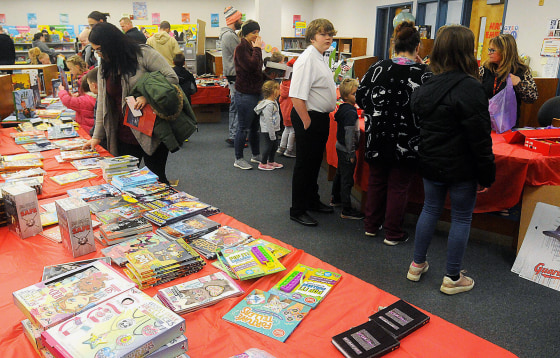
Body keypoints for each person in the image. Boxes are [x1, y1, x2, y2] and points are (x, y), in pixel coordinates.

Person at [407, 25, 496, 295]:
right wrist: (486, 175)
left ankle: (416, 265)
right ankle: (452, 277)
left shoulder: (427, 85)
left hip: (430, 162)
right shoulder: (471, 88)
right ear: (467, 51)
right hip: (462, 167)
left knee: (430, 209)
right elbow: (480, 139)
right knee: (460, 218)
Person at [356, 21, 431, 243]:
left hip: (377, 135)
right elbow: (429, 107)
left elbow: (360, 97)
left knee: (376, 180)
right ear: (417, 48)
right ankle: (393, 233)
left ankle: (370, 225)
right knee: (399, 186)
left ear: (394, 46)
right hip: (407, 140)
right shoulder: (424, 73)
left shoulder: (377, 68)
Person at [82, 22, 180, 184]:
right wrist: (97, 136)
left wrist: (147, 96)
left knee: (156, 181)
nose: (97, 54)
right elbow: (103, 103)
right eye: (95, 50)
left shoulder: (143, 54)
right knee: (124, 182)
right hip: (123, 134)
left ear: (111, 44)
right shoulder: (105, 65)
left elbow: (171, 78)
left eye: (99, 49)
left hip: (151, 131)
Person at [289, 18, 337, 227]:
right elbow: (296, 96)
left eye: (330, 34)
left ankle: (312, 200)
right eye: (323, 34)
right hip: (308, 117)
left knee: (315, 163)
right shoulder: (307, 58)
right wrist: (307, 122)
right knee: (304, 165)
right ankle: (297, 210)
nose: (328, 38)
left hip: (319, 117)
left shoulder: (320, 56)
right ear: (312, 37)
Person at [479, 33, 538, 127]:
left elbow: (532, 97)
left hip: (508, 124)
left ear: (505, 52)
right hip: (484, 121)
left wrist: (519, 83)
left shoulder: (521, 71)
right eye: (489, 49)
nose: (489, 53)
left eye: (492, 50)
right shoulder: (485, 69)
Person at [331, 78, 364, 220]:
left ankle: (336, 198)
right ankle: (346, 208)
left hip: (340, 146)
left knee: (340, 173)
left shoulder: (344, 108)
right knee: (347, 179)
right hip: (346, 149)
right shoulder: (350, 113)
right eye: (354, 94)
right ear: (346, 96)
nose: (356, 96)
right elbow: (350, 134)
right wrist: (351, 153)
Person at [232, 20, 263, 170]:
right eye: (253, 33)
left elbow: (257, 70)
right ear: (246, 34)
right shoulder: (241, 48)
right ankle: (238, 158)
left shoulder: (251, 47)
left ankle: (256, 155)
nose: (256, 36)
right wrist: (257, 49)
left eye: (258, 32)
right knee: (243, 127)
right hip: (245, 94)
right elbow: (251, 66)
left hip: (256, 92)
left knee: (254, 127)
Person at [220, 5, 243, 147]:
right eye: (240, 18)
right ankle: (235, 136)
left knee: (234, 105)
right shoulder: (230, 36)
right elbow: (241, 54)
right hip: (234, 75)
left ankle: (233, 134)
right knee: (237, 105)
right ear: (234, 19)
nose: (241, 21)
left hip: (231, 74)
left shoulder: (228, 35)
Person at [254, 80, 283, 171]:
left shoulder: (274, 102)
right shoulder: (268, 105)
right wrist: (272, 133)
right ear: (272, 91)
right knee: (268, 146)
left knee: (274, 146)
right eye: (278, 89)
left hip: (274, 129)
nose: (280, 91)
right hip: (268, 130)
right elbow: (268, 120)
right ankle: (263, 163)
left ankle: (271, 161)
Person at [277, 57, 297, 158]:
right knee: (293, 130)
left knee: (286, 129)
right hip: (291, 109)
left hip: (284, 109)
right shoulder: (293, 84)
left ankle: (281, 147)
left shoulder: (283, 83)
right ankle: (289, 149)